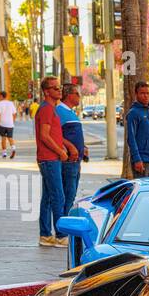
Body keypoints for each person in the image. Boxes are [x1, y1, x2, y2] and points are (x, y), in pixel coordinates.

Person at [35, 76, 76, 247]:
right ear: (46, 92)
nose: (59, 90)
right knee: (58, 196)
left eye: (59, 88)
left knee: (48, 198)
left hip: (50, 158)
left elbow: (53, 135)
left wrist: (65, 147)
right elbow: (44, 136)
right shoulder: (46, 109)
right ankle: (60, 235)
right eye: (55, 88)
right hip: (49, 159)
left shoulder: (52, 109)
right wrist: (60, 151)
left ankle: (45, 235)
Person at [56, 83, 89, 213]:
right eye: (77, 94)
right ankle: (64, 225)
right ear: (69, 95)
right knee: (68, 196)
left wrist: (83, 148)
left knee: (72, 194)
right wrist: (71, 147)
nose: (79, 97)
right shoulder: (59, 111)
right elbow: (55, 135)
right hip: (68, 161)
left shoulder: (71, 112)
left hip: (76, 161)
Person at [125, 81, 149, 177]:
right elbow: (131, 138)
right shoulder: (133, 113)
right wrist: (137, 159)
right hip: (141, 161)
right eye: (142, 93)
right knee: (143, 189)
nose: (145, 96)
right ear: (136, 94)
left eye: (147, 93)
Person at [0, 90, 17, 158]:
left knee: (3, 138)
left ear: (2, 96)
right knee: (10, 137)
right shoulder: (11, 103)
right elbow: (14, 114)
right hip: (10, 124)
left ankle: (4, 153)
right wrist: (12, 121)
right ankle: (13, 148)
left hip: (2, 124)